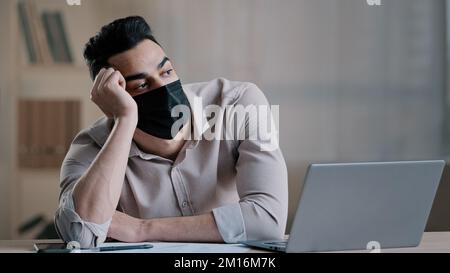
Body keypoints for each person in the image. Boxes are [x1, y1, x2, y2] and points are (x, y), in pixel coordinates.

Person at [54, 16, 288, 248]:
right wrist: (124, 120)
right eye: (141, 85)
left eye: (166, 72)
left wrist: (142, 229)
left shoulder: (240, 103)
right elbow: (80, 234)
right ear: (114, 97)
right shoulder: (91, 147)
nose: (164, 89)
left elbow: (268, 220)